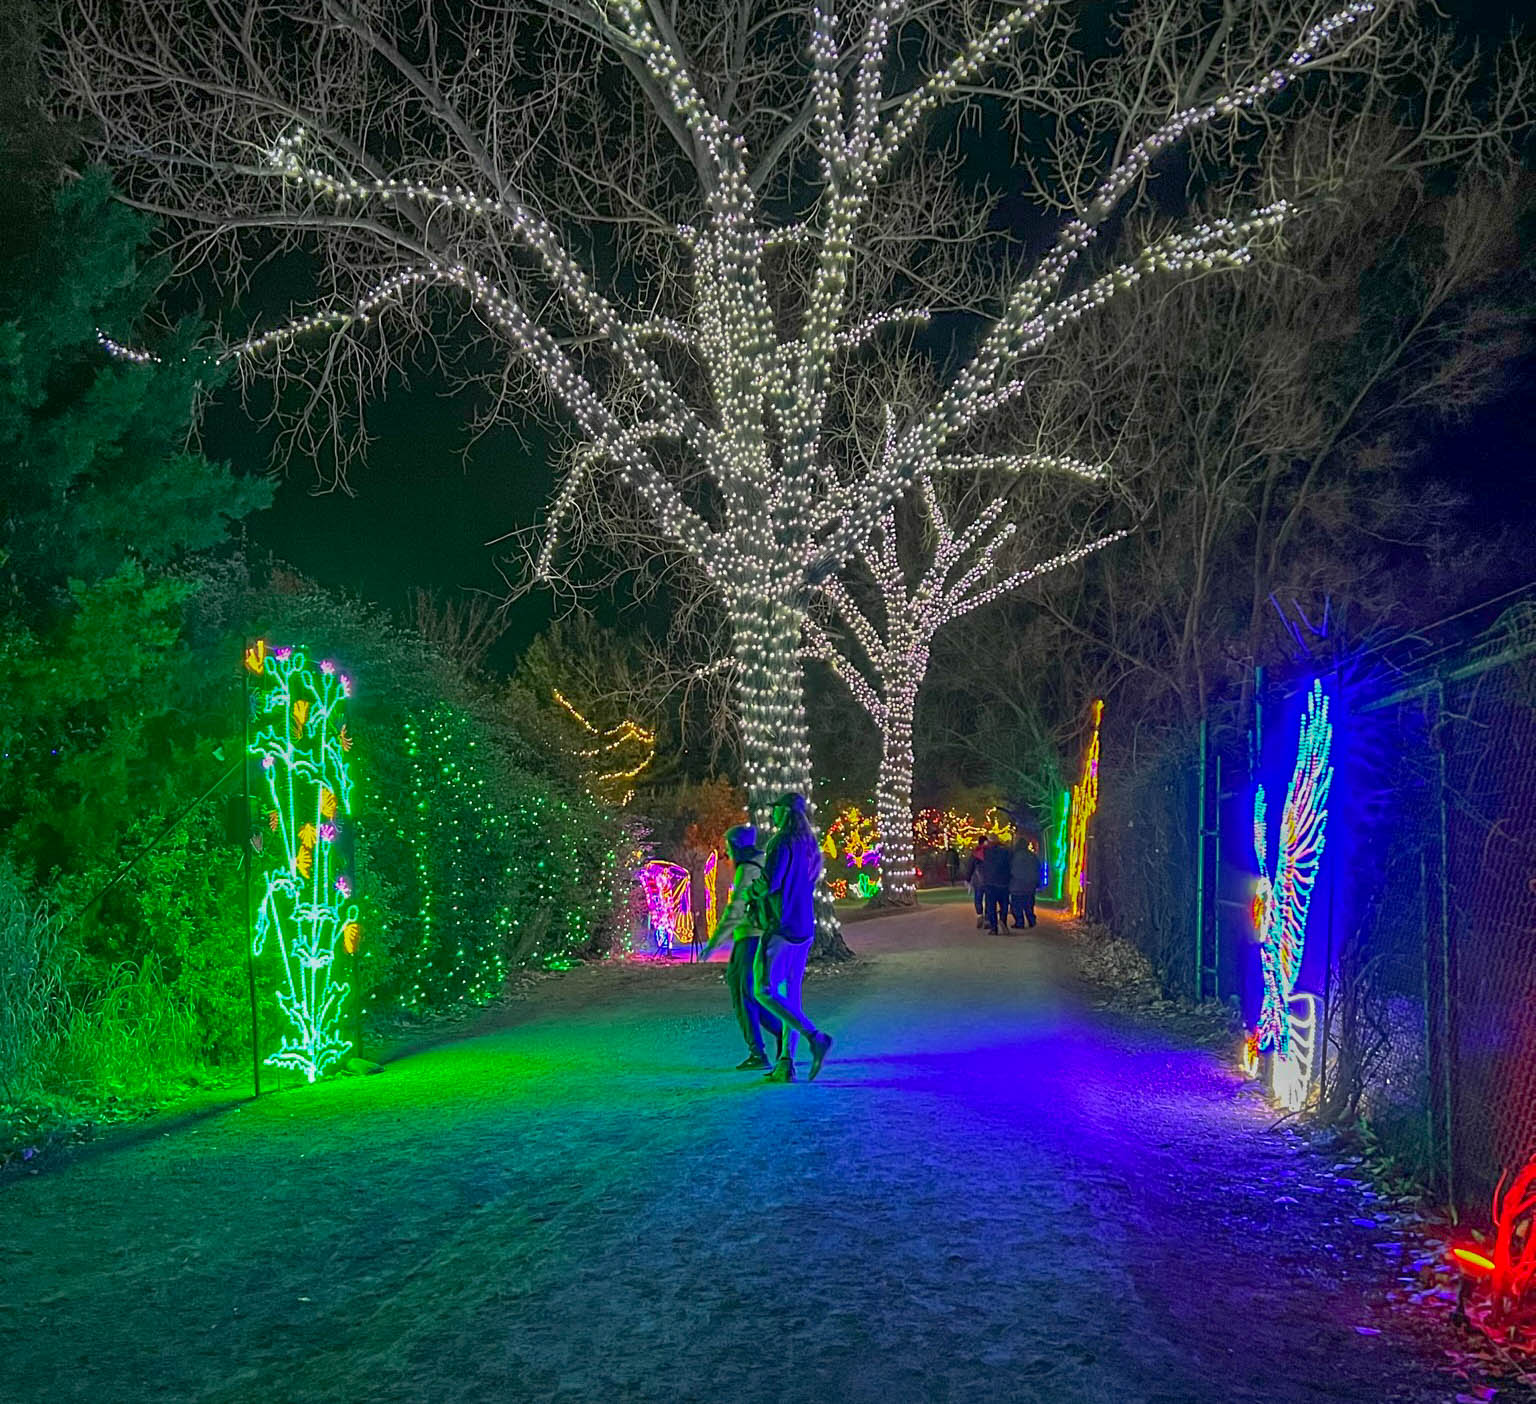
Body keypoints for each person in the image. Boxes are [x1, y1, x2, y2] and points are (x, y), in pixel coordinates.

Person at [752, 793, 834, 1082]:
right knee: (791, 992)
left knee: (764, 990)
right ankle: (786, 1063)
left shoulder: (780, 843)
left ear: (785, 813)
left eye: (776, 810)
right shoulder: (811, 845)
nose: (772, 814)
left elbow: (770, 883)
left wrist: (751, 890)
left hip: (782, 925)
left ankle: (815, 1037)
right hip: (804, 927)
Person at [699, 824, 783, 1070]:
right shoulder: (763, 863)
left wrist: (714, 943)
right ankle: (777, 1036)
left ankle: (759, 1051)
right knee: (751, 993)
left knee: (743, 994)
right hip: (760, 935)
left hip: (748, 938)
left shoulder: (746, 869)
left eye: (728, 847)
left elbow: (735, 911)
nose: (726, 853)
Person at [1008, 833, 1042, 929]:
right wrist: (1037, 882)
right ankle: (1031, 919)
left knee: (1017, 905)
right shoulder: (1032, 856)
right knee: (1029, 904)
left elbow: (1010, 869)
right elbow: (1037, 868)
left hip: (1017, 884)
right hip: (1030, 885)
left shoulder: (1014, 857)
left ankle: (1019, 922)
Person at [980, 836, 1012, 934]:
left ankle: (994, 928)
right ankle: (1003, 920)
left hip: (990, 883)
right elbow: (1011, 864)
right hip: (1004, 882)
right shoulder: (1007, 852)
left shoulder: (985, 852)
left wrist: (970, 877)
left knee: (991, 906)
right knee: (1004, 904)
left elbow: (976, 862)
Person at [965, 842, 987, 928]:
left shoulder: (975, 853)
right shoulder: (990, 852)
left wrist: (968, 879)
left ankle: (979, 914)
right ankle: (988, 917)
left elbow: (970, 867)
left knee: (978, 897)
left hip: (978, 880)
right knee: (989, 898)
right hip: (989, 879)